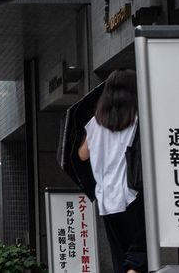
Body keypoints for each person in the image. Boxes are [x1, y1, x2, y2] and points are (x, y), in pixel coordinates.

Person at [78, 70, 146, 273]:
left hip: (107, 200)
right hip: (133, 194)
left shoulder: (95, 124)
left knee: (120, 257)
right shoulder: (137, 118)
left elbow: (82, 155)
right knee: (139, 256)